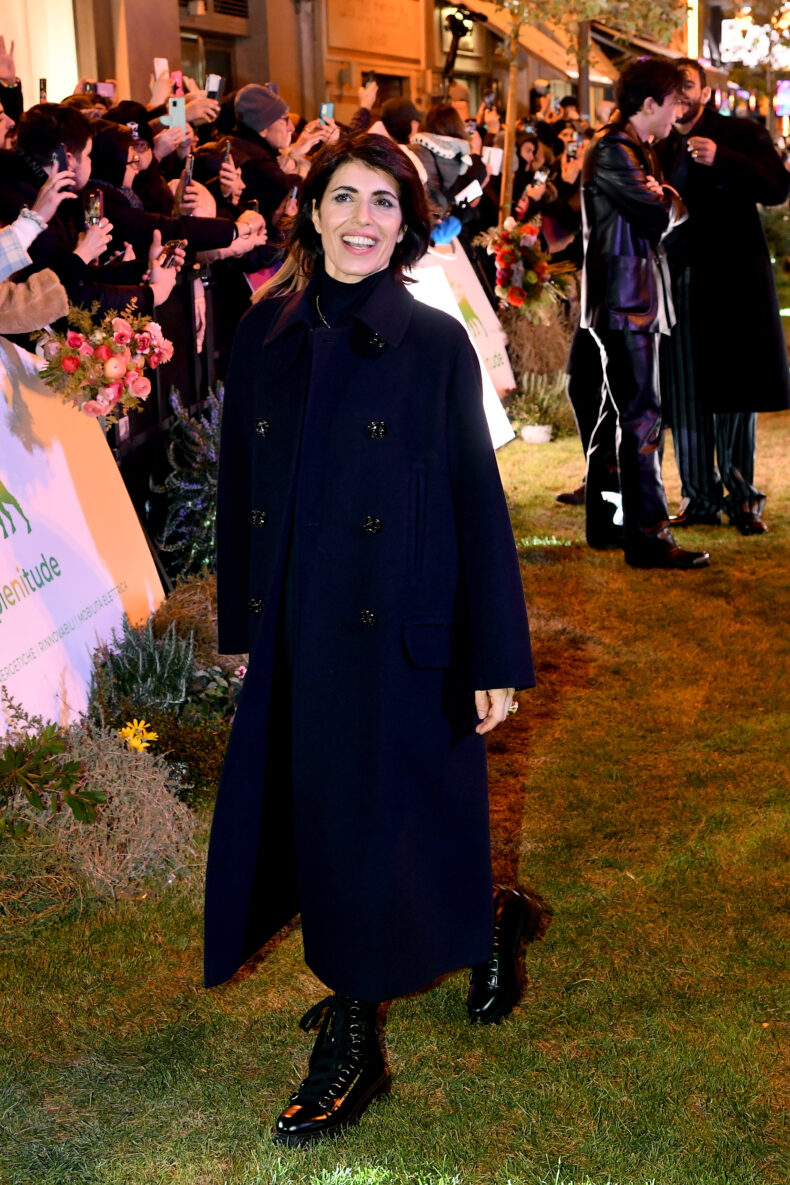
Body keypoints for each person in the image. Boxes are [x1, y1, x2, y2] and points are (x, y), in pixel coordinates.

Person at [205, 133, 538, 1145]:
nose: (362, 219)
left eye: (384, 203)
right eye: (344, 197)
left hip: (399, 617)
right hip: (298, 619)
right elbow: (239, 487)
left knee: (374, 814)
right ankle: (486, 915)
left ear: (407, 225)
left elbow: (476, 502)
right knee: (326, 814)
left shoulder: (433, 343)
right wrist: (240, 625)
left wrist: (495, 653)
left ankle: (353, 1035)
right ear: (311, 213)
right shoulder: (263, 333)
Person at [580, 58, 709, 569]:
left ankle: (609, 524)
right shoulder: (615, 148)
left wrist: (665, 197)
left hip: (628, 296)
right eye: (675, 102)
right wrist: (666, 198)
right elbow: (660, 212)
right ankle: (648, 537)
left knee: (622, 412)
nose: (679, 111)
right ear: (650, 103)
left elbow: (668, 207)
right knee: (641, 418)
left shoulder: (634, 148)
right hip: (625, 298)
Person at [656, 58, 790, 535]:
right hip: (682, 280)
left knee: (736, 394)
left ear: (705, 93)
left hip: (734, 284)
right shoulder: (660, 143)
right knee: (686, 392)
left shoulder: (741, 134)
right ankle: (699, 497)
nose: (681, 94)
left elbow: (777, 188)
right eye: (674, 86)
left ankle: (743, 498)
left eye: (688, 85)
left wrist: (724, 159)